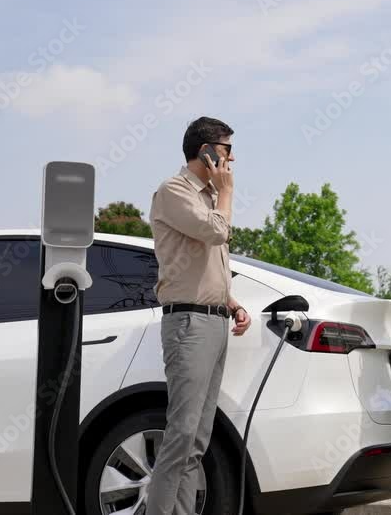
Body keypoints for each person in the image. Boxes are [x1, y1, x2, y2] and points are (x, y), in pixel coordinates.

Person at [144, 116, 252, 515]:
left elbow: (204, 264)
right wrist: (227, 192)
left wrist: (231, 302)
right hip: (189, 324)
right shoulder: (174, 191)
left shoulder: (208, 198)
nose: (231, 159)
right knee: (181, 435)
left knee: (196, 443)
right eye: (226, 150)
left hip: (213, 321)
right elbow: (216, 232)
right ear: (205, 152)